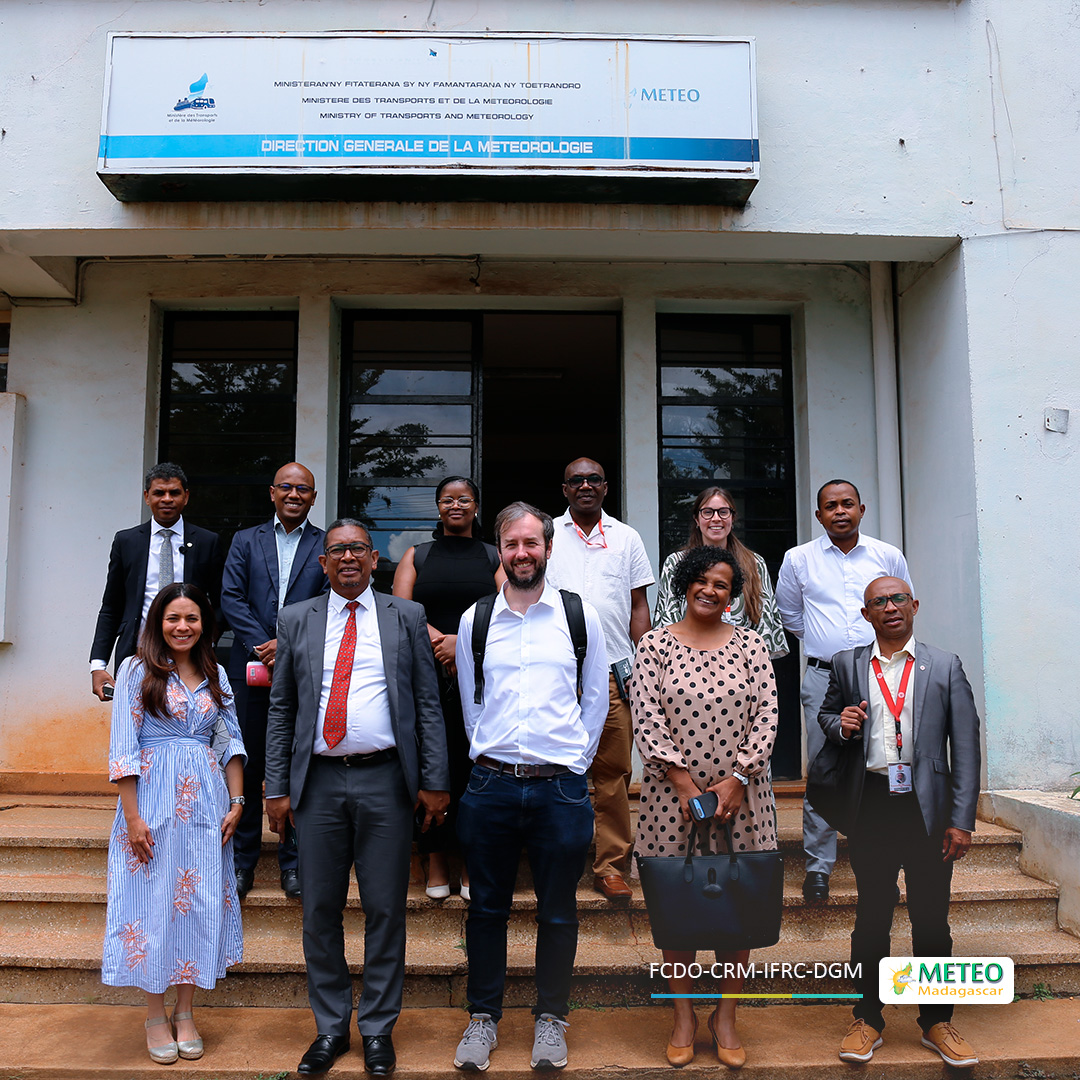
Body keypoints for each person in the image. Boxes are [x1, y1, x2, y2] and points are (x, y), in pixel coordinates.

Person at [264, 519, 449, 1077]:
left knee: (386, 908)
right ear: (323, 562)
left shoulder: (406, 616)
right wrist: (275, 788)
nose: (348, 557)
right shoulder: (296, 618)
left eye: (358, 549)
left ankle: (376, 1029)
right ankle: (328, 1029)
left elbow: (427, 703)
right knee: (319, 908)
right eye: (337, 550)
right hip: (316, 784)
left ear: (374, 560)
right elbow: (281, 709)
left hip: (385, 781)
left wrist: (435, 779)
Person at [452, 502, 609, 1072]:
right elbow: (473, 703)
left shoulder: (579, 617)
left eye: (532, 544)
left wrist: (573, 763)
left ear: (548, 548)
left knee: (559, 911)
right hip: (490, 786)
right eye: (512, 544)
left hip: (559, 791)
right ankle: (483, 1019)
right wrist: (494, 755)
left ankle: (550, 1019)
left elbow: (595, 700)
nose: (523, 553)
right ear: (501, 549)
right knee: (486, 910)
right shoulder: (477, 619)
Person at [819, 576, 981, 1069]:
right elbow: (826, 717)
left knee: (932, 918)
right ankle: (868, 1017)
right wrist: (839, 723)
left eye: (897, 599)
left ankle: (937, 1022)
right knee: (872, 916)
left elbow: (967, 747)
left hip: (927, 809)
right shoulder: (848, 663)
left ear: (914, 605)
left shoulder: (944, 665)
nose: (889, 607)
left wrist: (962, 819)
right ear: (866, 614)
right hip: (871, 803)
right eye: (877, 602)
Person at [631, 545, 779, 1069]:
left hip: (744, 799)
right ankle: (683, 1016)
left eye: (722, 584)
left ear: (733, 595)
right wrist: (685, 784)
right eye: (703, 581)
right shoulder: (653, 646)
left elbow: (767, 713)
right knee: (679, 910)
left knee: (736, 911)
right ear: (686, 584)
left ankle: (727, 1016)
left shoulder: (751, 645)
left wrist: (738, 777)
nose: (711, 590)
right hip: (672, 803)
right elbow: (646, 715)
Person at [101, 583, 246, 1066]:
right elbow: (124, 744)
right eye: (172, 618)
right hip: (152, 803)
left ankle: (186, 1012)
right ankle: (153, 1014)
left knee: (196, 903)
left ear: (204, 624)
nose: (182, 627)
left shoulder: (216, 672)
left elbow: (229, 740)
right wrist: (134, 817)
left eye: (192, 619)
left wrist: (238, 800)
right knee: (153, 903)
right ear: (157, 623)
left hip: (206, 807)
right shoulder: (135, 670)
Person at [774, 479, 910, 902]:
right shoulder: (798, 560)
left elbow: (901, 604)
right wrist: (831, 650)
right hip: (824, 677)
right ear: (819, 516)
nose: (839, 511)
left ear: (861, 509)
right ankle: (818, 867)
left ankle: (891, 853)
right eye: (830, 506)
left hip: (883, 672)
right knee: (825, 768)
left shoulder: (887, 555)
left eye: (847, 504)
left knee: (889, 760)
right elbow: (790, 616)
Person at [392, 475, 506, 900]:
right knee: (432, 766)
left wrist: (463, 644)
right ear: (437, 507)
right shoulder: (416, 555)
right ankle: (436, 859)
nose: (455, 505)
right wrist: (441, 642)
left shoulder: (494, 555)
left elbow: (508, 610)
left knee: (475, 766)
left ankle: (473, 862)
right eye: (447, 499)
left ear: (477, 506)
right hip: (428, 674)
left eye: (464, 499)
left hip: (482, 675)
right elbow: (402, 613)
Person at [546, 458, 654, 901]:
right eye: (577, 480)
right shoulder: (546, 533)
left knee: (612, 773)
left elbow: (637, 607)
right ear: (565, 488)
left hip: (612, 672)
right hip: (554, 672)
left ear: (606, 487)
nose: (585, 486)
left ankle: (610, 866)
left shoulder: (627, 537)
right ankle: (557, 862)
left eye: (593, 479)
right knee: (554, 769)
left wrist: (647, 664)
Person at [221, 462, 328, 899]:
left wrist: (288, 644)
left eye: (303, 489)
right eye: (286, 487)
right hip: (248, 669)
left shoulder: (326, 544)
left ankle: (294, 865)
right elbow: (230, 596)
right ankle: (243, 864)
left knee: (297, 764)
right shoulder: (246, 540)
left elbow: (329, 598)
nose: (294, 494)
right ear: (272, 492)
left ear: (313, 497)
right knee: (246, 764)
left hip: (303, 668)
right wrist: (261, 643)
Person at [91, 463, 223, 701]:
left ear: (186, 497)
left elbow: (221, 603)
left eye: (174, 492)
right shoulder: (127, 541)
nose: (167, 499)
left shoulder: (207, 541)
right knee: (133, 727)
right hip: (138, 655)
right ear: (146, 497)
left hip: (190, 657)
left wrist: (207, 641)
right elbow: (111, 606)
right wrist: (98, 665)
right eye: (159, 493)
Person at [653, 486, 788, 660]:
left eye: (723, 512)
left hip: (742, 663)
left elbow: (765, 623)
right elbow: (668, 620)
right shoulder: (676, 563)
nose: (716, 519)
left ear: (732, 518)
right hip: (687, 662)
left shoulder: (754, 563)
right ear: (696, 518)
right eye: (707, 512)